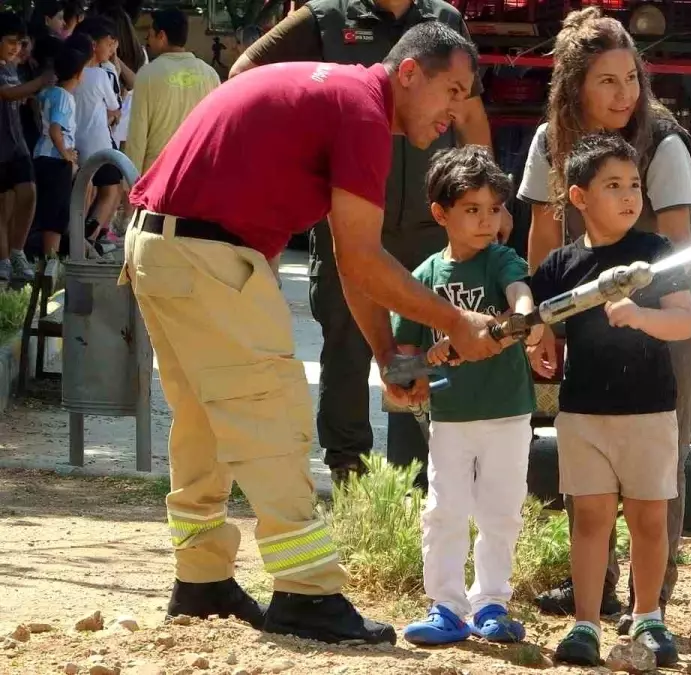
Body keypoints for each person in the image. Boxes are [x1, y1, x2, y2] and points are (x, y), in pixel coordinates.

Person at [121, 21, 501, 646]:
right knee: (273, 414)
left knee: (206, 420)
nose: (456, 113)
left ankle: (201, 578)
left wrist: (386, 352)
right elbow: (361, 260)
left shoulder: (338, 97)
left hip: (160, 246)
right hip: (206, 255)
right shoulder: (361, 114)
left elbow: (355, 258)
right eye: (453, 91)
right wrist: (456, 320)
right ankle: (307, 592)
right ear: (408, 73)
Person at [228, 0, 498, 487]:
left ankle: (414, 475)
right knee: (346, 342)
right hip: (346, 223)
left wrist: (484, 198)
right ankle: (348, 467)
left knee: (422, 344)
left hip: (426, 221)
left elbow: (470, 114)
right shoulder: (323, 16)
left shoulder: (444, 22)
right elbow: (245, 74)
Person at [518, 7, 691, 634]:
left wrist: (640, 313)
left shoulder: (664, 141)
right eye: (607, 81)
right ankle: (593, 596)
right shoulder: (551, 140)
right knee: (592, 457)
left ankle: (649, 604)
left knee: (661, 457)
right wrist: (543, 324)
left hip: (666, 306)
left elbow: (680, 249)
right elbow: (543, 238)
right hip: (585, 305)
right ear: (574, 85)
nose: (624, 93)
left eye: (631, 77)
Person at [526, 133, 691, 667]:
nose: (629, 196)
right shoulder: (561, 265)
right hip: (582, 416)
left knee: (649, 520)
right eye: (613, 185)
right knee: (590, 520)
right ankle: (584, 625)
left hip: (648, 414)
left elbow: (686, 321)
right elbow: (536, 314)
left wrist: (641, 315)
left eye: (635, 185)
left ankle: (648, 617)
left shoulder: (655, 252)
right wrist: (536, 338)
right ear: (578, 197)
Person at [394, 146, 540, 646]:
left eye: (494, 209)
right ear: (441, 214)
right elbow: (406, 351)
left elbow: (519, 291)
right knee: (445, 508)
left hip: (507, 414)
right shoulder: (426, 277)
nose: (486, 221)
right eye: (472, 210)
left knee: (501, 508)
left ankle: (492, 602)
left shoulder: (500, 259)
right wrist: (420, 365)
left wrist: (520, 316)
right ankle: (446, 606)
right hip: (450, 417)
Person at [124, 9, 219, 175]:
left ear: (161, 35)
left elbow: (137, 137)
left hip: (157, 176)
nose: (148, 40)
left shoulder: (148, 75)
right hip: (198, 171)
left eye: (150, 35)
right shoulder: (210, 74)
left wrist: (130, 181)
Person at [0, 13, 48, 283]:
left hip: (17, 145)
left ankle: (16, 252)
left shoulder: (12, 66)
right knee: (3, 207)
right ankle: (4, 260)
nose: (15, 48)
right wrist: (40, 82)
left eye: (19, 43)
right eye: (10, 42)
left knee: (28, 193)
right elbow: (7, 93)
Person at [70, 17, 123, 251]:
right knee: (111, 188)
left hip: (71, 143)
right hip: (99, 143)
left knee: (83, 192)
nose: (111, 50)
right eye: (108, 44)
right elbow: (115, 107)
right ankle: (88, 240)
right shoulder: (103, 75)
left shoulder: (69, 72)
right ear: (94, 45)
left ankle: (75, 239)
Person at [29, 42, 85, 259]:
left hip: (41, 155)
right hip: (55, 160)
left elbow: (36, 109)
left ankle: (44, 257)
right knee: (56, 211)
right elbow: (55, 130)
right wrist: (67, 155)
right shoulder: (65, 97)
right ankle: (50, 259)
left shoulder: (48, 92)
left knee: (44, 208)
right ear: (78, 74)